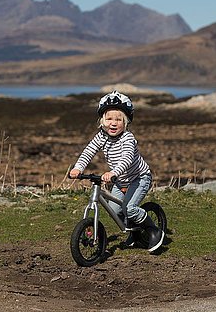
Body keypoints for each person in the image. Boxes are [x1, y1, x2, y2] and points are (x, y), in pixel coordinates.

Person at [69, 90, 164, 253]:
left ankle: (153, 230)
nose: (113, 123)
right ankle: (134, 235)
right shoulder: (101, 136)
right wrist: (78, 168)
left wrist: (113, 173)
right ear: (102, 120)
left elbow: (126, 159)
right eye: (109, 118)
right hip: (120, 181)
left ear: (125, 122)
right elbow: (88, 151)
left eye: (118, 119)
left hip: (139, 177)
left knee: (130, 209)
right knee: (114, 210)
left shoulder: (127, 138)